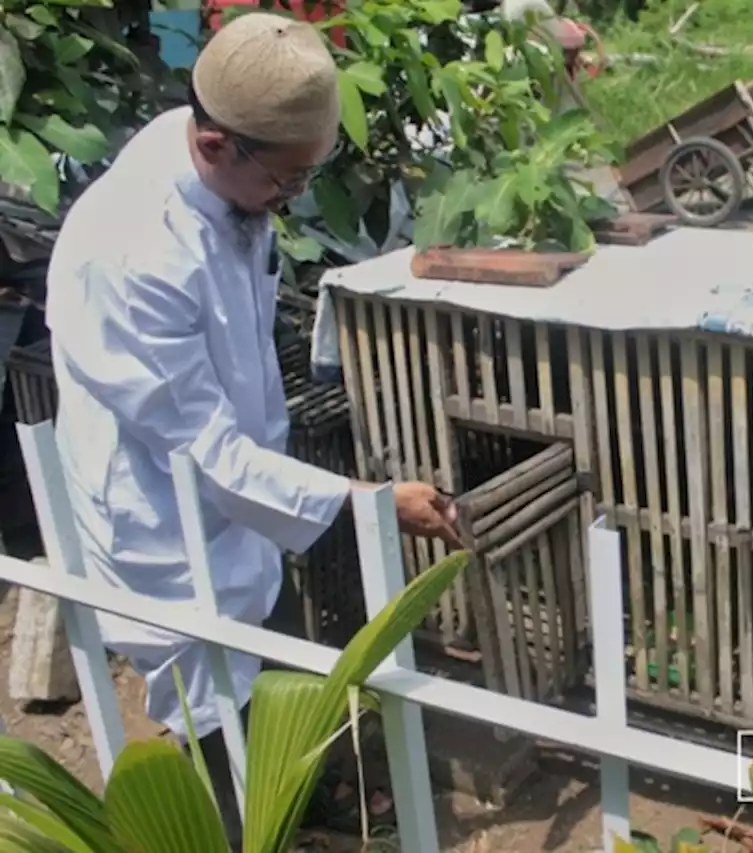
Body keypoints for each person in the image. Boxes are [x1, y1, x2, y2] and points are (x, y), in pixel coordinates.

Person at [43, 11, 460, 847]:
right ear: (214, 147)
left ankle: (291, 796)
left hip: (233, 490)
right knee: (208, 698)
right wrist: (368, 501)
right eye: (288, 180)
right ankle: (231, 828)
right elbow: (205, 452)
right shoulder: (134, 255)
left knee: (257, 654)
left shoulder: (212, 148)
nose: (291, 198)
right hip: (164, 514)